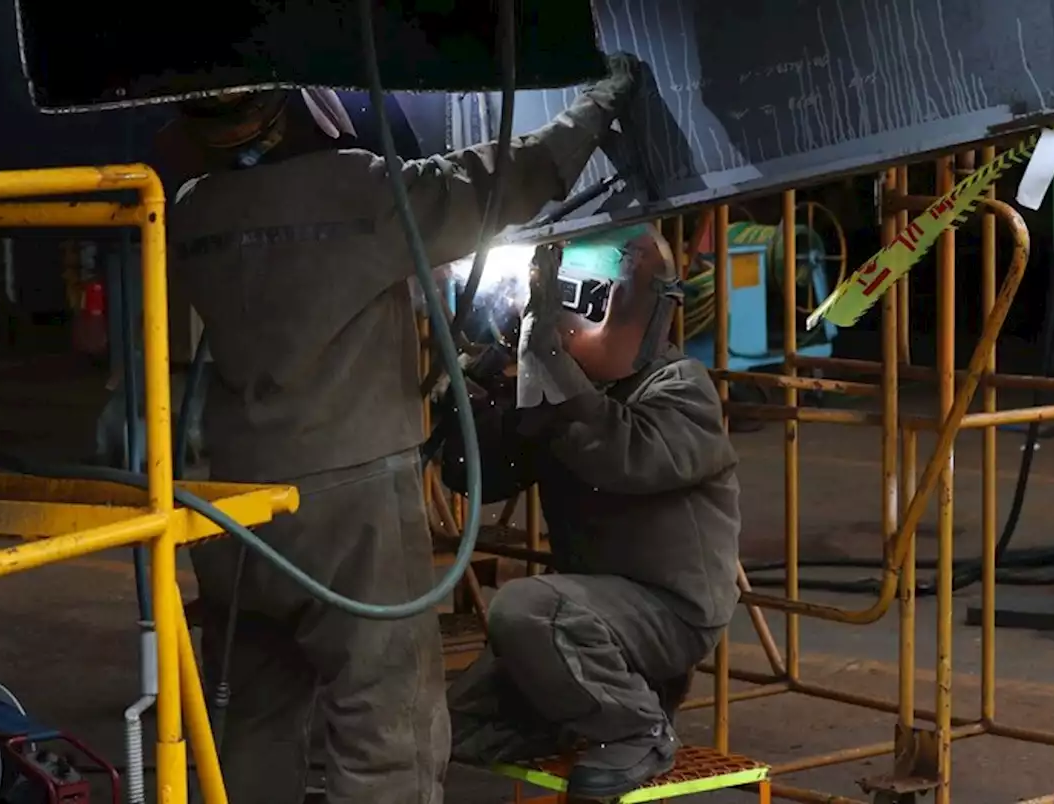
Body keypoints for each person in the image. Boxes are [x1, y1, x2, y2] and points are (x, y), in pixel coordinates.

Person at [162, 55, 642, 804]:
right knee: (384, 718)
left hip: (229, 507)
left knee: (251, 715)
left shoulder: (189, 210)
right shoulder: (359, 188)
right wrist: (601, 102)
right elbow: (510, 176)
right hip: (349, 507)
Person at [438, 225, 742, 800]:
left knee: (524, 608)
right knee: (456, 727)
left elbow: (623, 458)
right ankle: (585, 712)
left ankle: (640, 729)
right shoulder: (564, 400)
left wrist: (549, 364)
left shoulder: (680, 388)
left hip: (669, 614)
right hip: (588, 616)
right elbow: (481, 474)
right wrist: (470, 393)